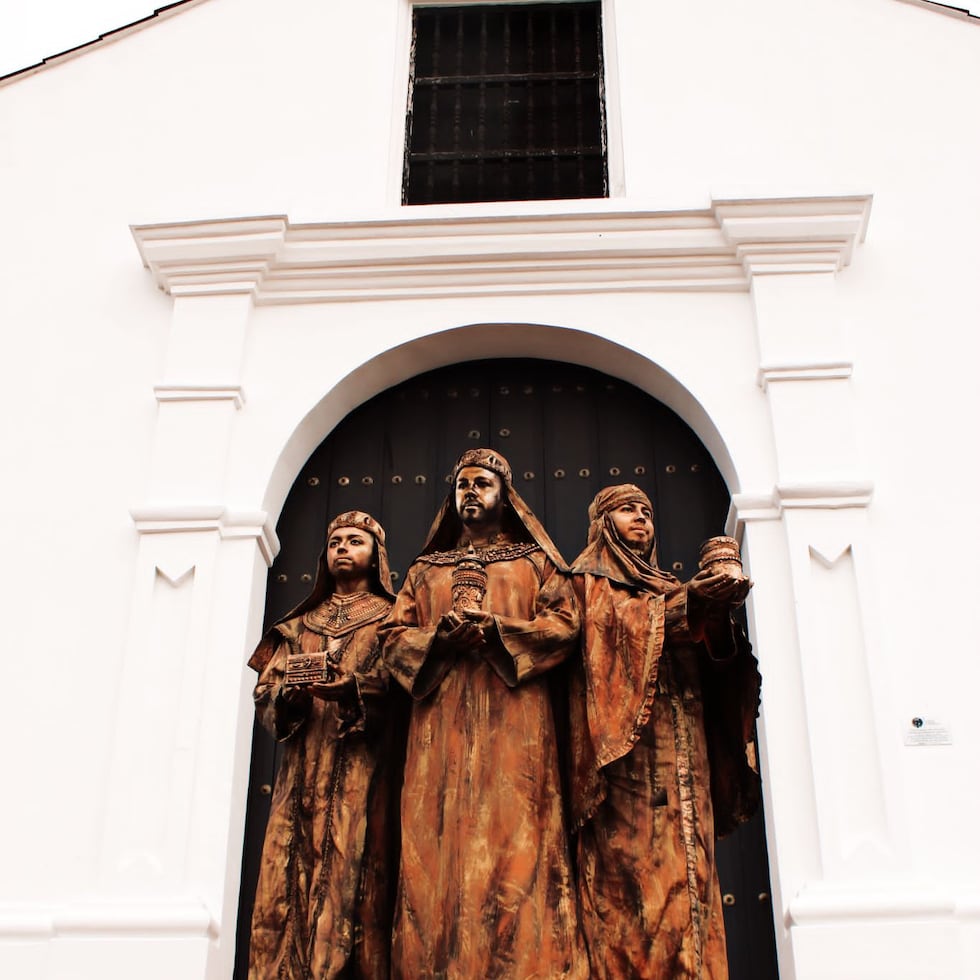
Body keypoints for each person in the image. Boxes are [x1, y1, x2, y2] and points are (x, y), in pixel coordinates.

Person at [380, 448, 588, 979]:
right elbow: (392, 637)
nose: (470, 491)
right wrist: (440, 643)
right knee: (435, 848)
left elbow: (565, 623)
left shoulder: (533, 562)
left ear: (505, 495)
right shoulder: (426, 571)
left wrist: (497, 631)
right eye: (462, 485)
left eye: (482, 483)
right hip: (439, 729)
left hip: (516, 723)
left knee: (518, 844)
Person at [569, 485, 761, 980]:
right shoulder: (585, 582)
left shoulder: (671, 585)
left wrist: (715, 618)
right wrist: (685, 606)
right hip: (625, 765)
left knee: (693, 875)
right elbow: (598, 633)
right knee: (632, 888)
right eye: (627, 510)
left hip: (687, 755)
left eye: (647, 512)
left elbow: (718, 668)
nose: (641, 519)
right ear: (602, 522)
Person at [247, 511, 402, 979]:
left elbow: (402, 685)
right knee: (286, 875)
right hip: (300, 769)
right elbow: (265, 693)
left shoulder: (393, 617)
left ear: (375, 554)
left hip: (361, 767)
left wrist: (355, 689)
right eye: (335, 540)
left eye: (355, 541)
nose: (343, 548)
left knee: (356, 874)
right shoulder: (297, 627)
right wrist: (286, 697)